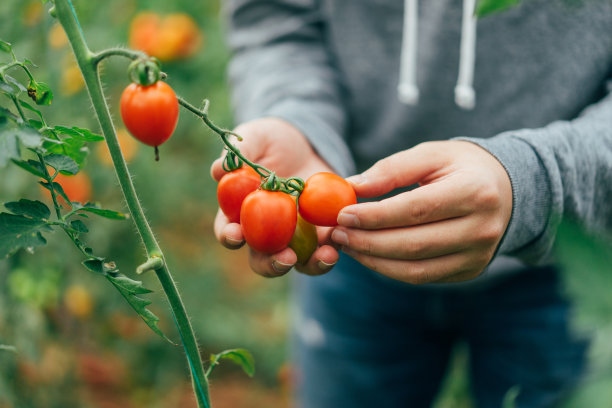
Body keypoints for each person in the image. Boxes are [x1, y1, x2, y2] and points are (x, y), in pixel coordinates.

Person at [211, 0, 612, 406]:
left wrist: (540, 181)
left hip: (568, 259)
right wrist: (296, 120)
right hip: (347, 250)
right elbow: (274, 15)